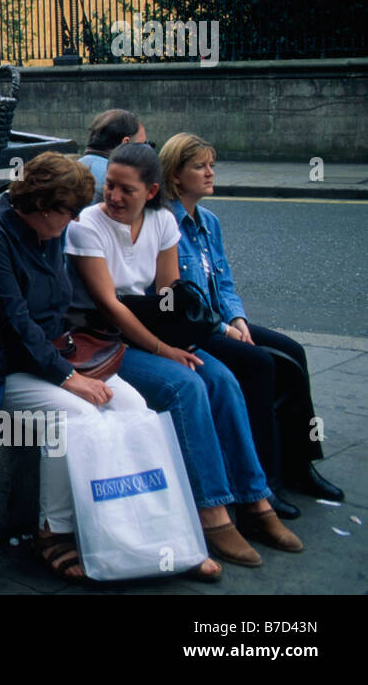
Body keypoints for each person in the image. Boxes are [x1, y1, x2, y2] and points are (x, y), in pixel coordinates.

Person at [0, 153, 220, 582]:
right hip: (7, 367)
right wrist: (69, 379)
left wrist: (71, 370)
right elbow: (15, 322)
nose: (72, 222)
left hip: (55, 358)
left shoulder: (50, 229)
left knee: (135, 408)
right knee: (76, 416)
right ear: (43, 207)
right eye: (67, 213)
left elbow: (56, 311)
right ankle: (53, 531)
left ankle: (156, 527)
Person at [66, 142, 302, 567]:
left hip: (151, 333)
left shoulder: (161, 224)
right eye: (110, 187)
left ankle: (254, 500)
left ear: (152, 192)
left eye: (126, 191)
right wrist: (165, 350)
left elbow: (168, 296)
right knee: (186, 385)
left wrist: (182, 338)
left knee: (223, 379)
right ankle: (212, 514)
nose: (114, 198)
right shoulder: (87, 227)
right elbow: (111, 307)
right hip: (104, 341)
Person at [159, 133, 342, 514]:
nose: (210, 173)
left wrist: (238, 318)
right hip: (193, 328)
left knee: (292, 352)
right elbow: (176, 301)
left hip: (221, 320)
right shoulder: (165, 224)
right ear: (176, 176)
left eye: (212, 165)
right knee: (260, 364)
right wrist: (225, 330)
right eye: (200, 167)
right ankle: (263, 481)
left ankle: (298, 464)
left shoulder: (209, 220)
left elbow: (223, 281)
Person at [77, 109, 146, 204]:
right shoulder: (122, 180)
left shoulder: (73, 168)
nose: (144, 151)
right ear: (125, 143)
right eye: (141, 145)